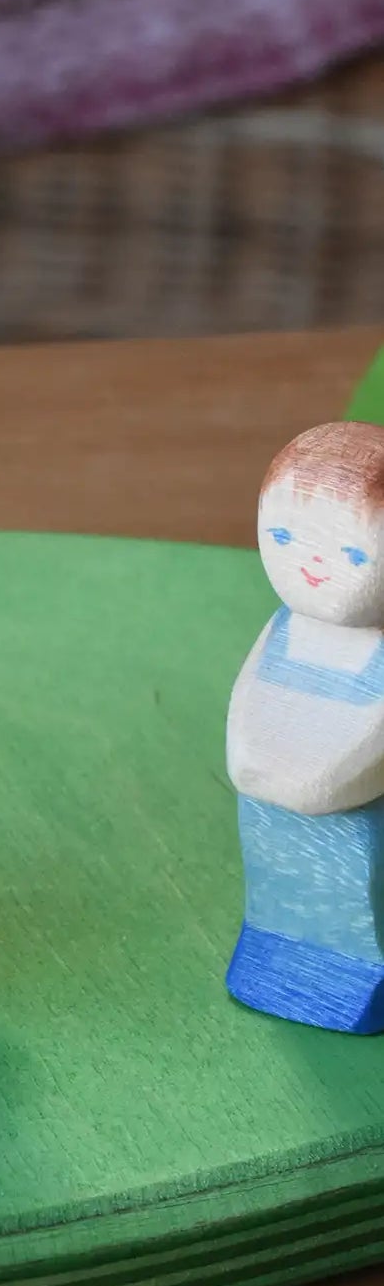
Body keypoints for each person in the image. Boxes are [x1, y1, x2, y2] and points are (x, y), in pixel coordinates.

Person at [227, 421, 384, 1031]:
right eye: (284, 537)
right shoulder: (285, 626)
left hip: (352, 811)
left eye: (352, 555)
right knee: (277, 888)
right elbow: (249, 699)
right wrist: (249, 759)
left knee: (357, 900)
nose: (313, 564)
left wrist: (319, 780)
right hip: (270, 799)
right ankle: (275, 953)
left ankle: (355, 973)